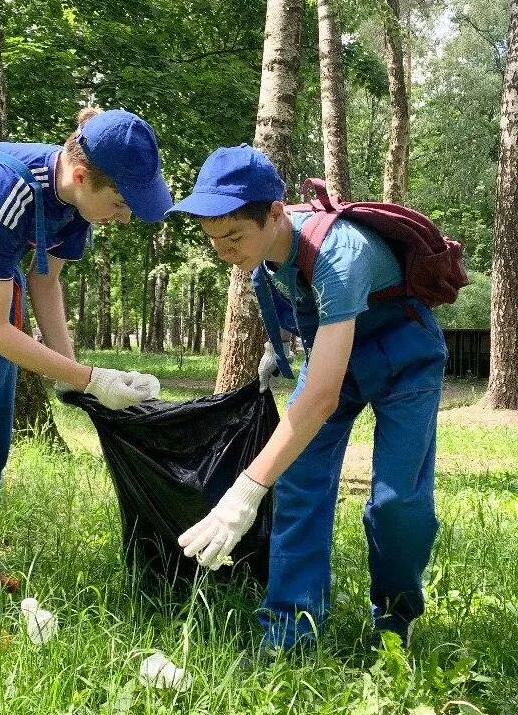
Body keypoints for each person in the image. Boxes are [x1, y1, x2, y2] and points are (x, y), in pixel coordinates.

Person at [0, 108, 168, 634]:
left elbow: (45, 281)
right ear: (81, 175)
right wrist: (91, 378)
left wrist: (72, 374)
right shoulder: (7, 193)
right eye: (120, 204)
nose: (125, 217)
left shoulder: (75, 206)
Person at [168, 145, 447, 655]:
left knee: (397, 503)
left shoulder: (339, 255)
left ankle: (395, 620)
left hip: (405, 357)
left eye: (234, 237)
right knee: (298, 484)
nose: (224, 252)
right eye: (213, 240)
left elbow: (319, 398)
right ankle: (290, 631)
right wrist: (277, 349)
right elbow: (308, 322)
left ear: (275, 213)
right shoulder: (264, 257)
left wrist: (246, 491)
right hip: (332, 358)